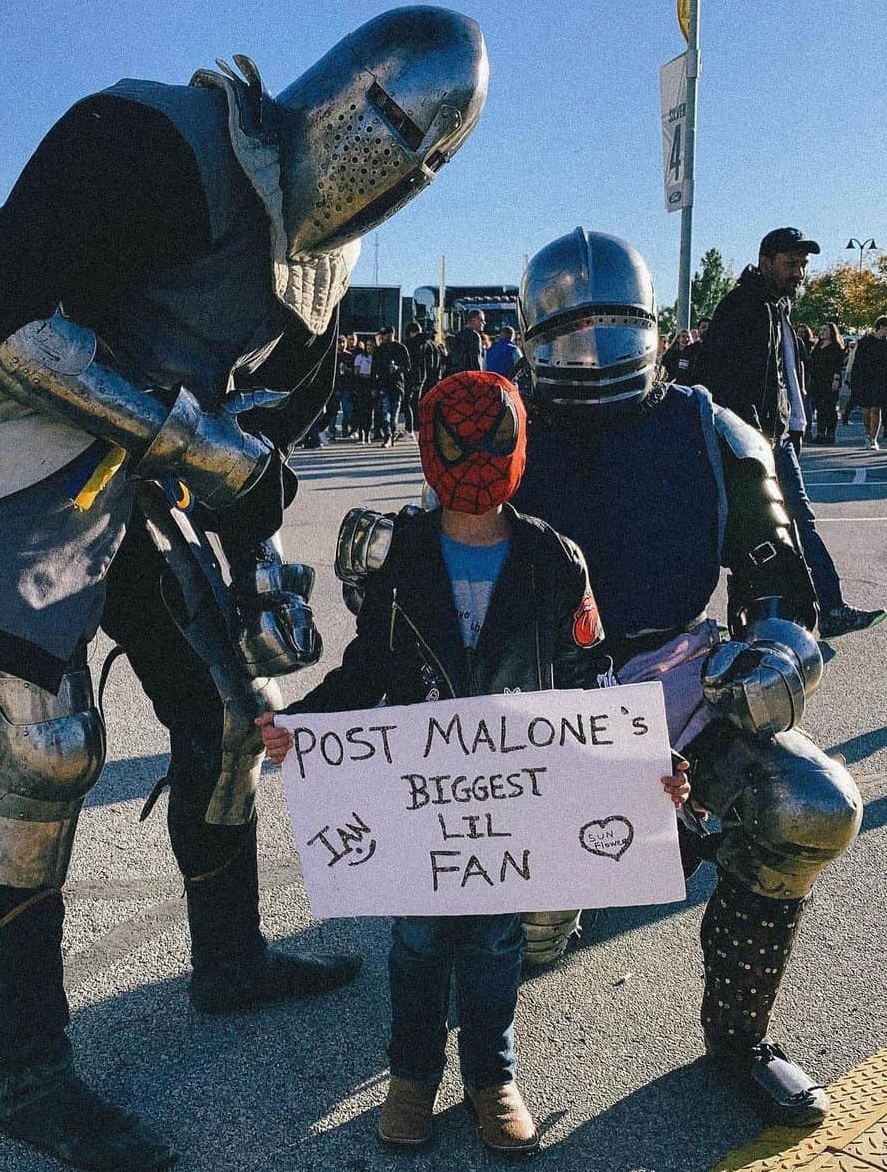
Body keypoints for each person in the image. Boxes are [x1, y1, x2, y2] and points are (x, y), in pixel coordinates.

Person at [0, 10, 489, 1169]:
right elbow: (21, 324)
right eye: (389, 124)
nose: (396, 165)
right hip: (0, 456)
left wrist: (253, 548)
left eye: (428, 156)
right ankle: (31, 1078)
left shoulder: (320, 265)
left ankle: (228, 962)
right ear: (342, 90)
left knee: (231, 715)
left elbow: (258, 427)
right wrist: (196, 445)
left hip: (131, 482)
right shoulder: (156, 138)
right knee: (47, 752)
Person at [258, 369, 691, 1156]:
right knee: (418, 939)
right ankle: (412, 1076)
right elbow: (368, 669)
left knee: (496, 942)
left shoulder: (554, 561)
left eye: (495, 440)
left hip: (511, 806)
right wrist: (302, 722)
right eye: (460, 443)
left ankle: (493, 1075)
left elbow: (591, 683)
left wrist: (645, 767)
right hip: (421, 804)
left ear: (520, 446)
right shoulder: (402, 556)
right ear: (431, 447)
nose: (477, 462)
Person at [514, 228, 864, 1127]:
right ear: (530, 334)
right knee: (527, 933)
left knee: (810, 803)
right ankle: (487, 985)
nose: (591, 352)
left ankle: (739, 1034)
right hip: (533, 716)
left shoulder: (711, 429)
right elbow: (435, 594)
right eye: (571, 328)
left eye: (612, 324)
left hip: (680, 700)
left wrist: (775, 658)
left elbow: (780, 583)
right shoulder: (495, 420)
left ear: (655, 328)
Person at [697, 228, 885, 638]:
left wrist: (791, 425)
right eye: (790, 264)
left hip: (775, 437)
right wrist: (755, 438)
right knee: (781, 526)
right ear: (765, 262)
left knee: (780, 528)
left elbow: (780, 376)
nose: (799, 273)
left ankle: (788, 616)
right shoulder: (746, 307)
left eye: (802, 265)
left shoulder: (773, 306)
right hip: (756, 442)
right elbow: (720, 379)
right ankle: (817, 612)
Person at [848, 316, 887, 450]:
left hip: (881, 380)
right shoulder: (865, 342)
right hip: (865, 379)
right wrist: (854, 380)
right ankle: (867, 434)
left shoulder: (885, 344)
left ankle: (873, 438)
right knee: (866, 410)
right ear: (881, 327)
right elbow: (857, 362)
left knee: (876, 409)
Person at [371, 325, 411, 446]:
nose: (383, 337)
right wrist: (373, 386)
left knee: (394, 412)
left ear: (391, 334)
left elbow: (408, 367)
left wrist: (398, 368)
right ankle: (388, 435)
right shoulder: (379, 349)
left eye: (385, 335)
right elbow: (374, 369)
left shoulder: (400, 348)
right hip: (383, 384)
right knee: (385, 411)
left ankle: (391, 433)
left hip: (397, 384)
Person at [807, 323, 847, 444]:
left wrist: (836, 379)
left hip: (830, 380)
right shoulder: (818, 346)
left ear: (831, 332)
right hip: (817, 380)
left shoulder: (836, 347)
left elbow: (838, 364)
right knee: (819, 407)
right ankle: (820, 432)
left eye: (825, 330)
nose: (823, 332)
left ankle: (830, 433)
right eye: (822, 329)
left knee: (829, 407)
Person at [403, 321, 442, 434]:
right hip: (432, 379)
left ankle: (413, 427)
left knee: (411, 403)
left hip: (417, 379)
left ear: (411, 333)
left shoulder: (415, 344)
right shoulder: (434, 345)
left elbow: (414, 363)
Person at [352, 336, 377, 443]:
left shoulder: (376, 358)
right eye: (367, 345)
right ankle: (361, 434)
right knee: (361, 410)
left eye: (371, 345)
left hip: (372, 383)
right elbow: (356, 372)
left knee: (369, 411)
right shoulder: (360, 357)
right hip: (362, 384)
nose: (369, 347)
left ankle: (368, 433)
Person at [446, 307, 485, 373]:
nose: (484, 323)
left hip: (458, 375)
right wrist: (479, 375)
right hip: (469, 376)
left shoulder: (459, 335)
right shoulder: (474, 336)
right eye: (481, 320)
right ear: (474, 320)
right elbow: (475, 360)